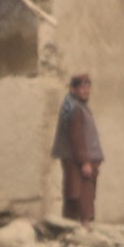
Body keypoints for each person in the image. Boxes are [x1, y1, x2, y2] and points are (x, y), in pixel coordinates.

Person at [53, 73, 104, 227]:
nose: (86, 90)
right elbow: (77, 138)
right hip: (78, 160)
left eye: (88, 87)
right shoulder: (74, 110)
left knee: (75, 192)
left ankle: (71, 225)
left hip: (80, 159)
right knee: (81, 192)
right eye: (82, 87)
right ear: (73, 89)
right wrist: (84, 161)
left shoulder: (78, 107)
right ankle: (83, 224)